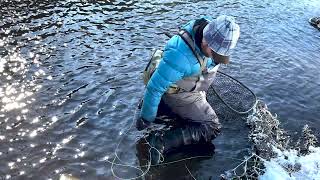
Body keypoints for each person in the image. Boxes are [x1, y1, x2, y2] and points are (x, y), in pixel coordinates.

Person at [136, 15, 240, 164]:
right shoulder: (180, 56)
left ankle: (162, 108)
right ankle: (158, 143)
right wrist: (146, 118)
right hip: (179, 92)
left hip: (189, 85)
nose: (215, 56)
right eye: (214, 52)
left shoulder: (208, 27)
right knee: (212, 126)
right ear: (206, 41)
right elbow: (154, 88)